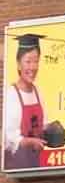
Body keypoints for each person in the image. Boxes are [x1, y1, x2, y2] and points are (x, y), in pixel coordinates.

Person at [4, 34, 48, 168]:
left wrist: (52, 132)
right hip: (17, 163)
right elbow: (10, 137)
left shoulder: (38, 91)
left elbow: (43, 125)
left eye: (36, 61)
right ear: (18, 64)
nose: (33, 67)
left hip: (36, 163)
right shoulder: (12, 94)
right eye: (28, 61)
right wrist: (29, 142)